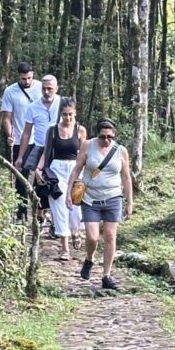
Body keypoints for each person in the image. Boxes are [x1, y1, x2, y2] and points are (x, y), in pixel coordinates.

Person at [67, 118, 133, 290]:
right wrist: (69, 192)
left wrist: (129, 201)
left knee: (111, 235)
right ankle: (89, 258)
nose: (106, 140)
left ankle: (106, 275)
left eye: (109, 137)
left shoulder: (121, 151)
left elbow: (126, 177)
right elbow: (77, 169)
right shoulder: (88, 146)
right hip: (90, 198)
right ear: (98, 135)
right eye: (103, 137)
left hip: (113, 197)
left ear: (114, 135)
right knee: (93, 237)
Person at [35, 98, 87, 261]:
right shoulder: (52, 131)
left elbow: (84, 153)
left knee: (76, 206)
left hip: (76, 168)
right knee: (59, 206)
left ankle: (75, 230)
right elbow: (46, 152)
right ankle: (64, 247)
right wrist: (38, 169)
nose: (68, 118)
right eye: (64, 115)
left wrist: (89, 172)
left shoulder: (80, 130)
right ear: (60, 114)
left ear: (75, 113)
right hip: (57, 169)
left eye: (70, 114)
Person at [0, 62, 42, 221]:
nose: (27, 81)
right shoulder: (10, 91)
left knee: (41, 175)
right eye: (24, 78)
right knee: (21, 176)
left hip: (39, 139)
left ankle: (40, 210)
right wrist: (9, 134)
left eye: (29, 78)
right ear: (19, 76)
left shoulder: (40, 88)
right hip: (20, 140)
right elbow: (7, 118)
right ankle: (21, 212)